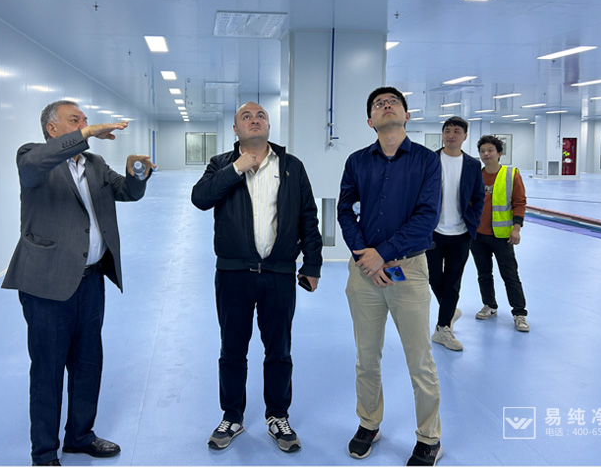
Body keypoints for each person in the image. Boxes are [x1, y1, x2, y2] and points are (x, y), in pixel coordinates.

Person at [2, 100, 155, 466]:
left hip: (90, 281)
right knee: (48, 369)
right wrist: (87, 134)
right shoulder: (32, 157)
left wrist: (136, 172)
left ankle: (80, 436)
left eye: (85, 120)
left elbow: (128, 192)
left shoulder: (95, 164)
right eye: (76, 120)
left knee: (88, 363)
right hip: (47, 284)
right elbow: (35, 164)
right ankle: (44, 453)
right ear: (52, 129)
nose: (85, 124)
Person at [191, 101, 322, 454]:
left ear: (269, 126)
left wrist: (312, 264)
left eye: (260, 115)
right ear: (235, 129)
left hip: (278, 274)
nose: (254, 120)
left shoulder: (292, 166)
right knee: (232, 348)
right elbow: (200, 198)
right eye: (245, 117)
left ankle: (278, 415)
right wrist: (236, 168)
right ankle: (232, 416)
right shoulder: (220, 164)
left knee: (279, 350)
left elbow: (308, 217)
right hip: (233, 274)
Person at [337, 87, 443, 466]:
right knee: (367, 358)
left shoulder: (427, 162)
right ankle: (369, 423)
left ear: (407, 115)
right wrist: (365, 256)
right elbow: (345, 211)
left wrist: (382, 254)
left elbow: (427, 217)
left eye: (393, 102)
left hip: (407, 271)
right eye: (378, 104)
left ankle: (429, 437)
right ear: (370, 121)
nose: (386, 106)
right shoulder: (356, 162)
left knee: (419, 360)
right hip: (363, 271)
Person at [425, 116, 485, 351]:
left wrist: (472, 223)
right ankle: (449, 310)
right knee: (433, 277)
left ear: (464, 136)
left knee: (453, 281)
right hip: (433, 232)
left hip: (461, 233)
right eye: (447, 130)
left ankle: (443, 328)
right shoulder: (430, 160)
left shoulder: (472, 165)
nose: (451, 135)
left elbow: (478, 197)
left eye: (456, 131)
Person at [470, 135, 529, 332]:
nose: (486, 154)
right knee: (483, 273)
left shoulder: (511, 175)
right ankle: (489, 305)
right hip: (478, 235)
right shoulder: (475, 176)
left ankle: (519, 313)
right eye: (482, 151)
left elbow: (519, 202)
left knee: (510, 274)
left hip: (502, 236)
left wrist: (516, 228)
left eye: (490, 150)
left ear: (499, 153)